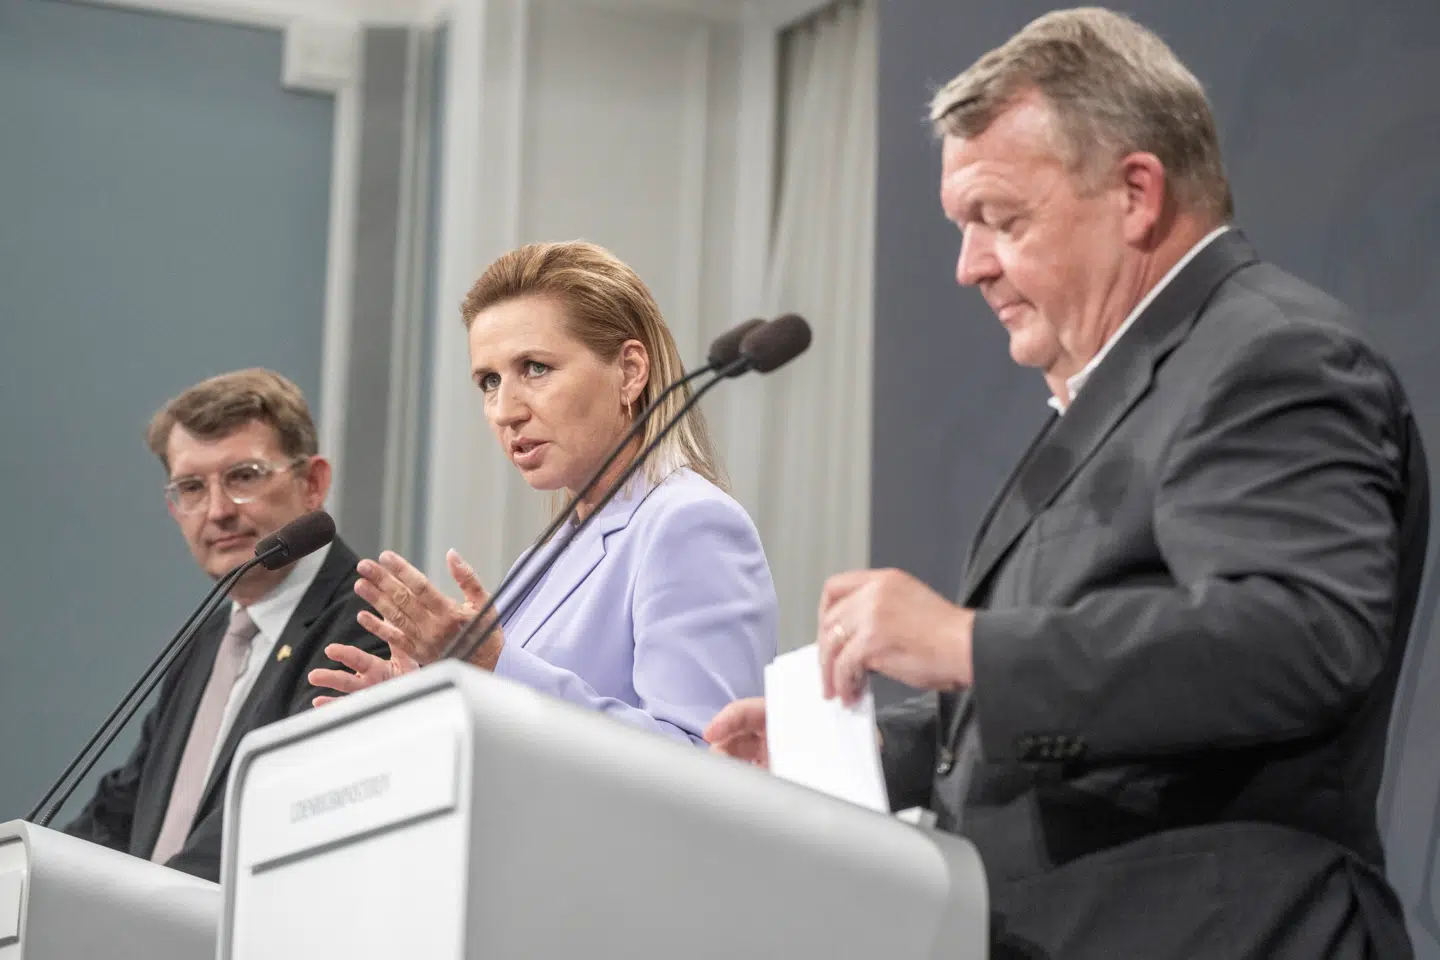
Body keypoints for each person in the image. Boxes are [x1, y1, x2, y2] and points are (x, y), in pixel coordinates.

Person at [706, 8, 1426, 958]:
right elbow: (1109, 690)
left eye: (1000, 219)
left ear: (1136, 193)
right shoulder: (1143, 383)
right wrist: (874, 752)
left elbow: (1294, 639)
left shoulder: (1272, 357)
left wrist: (968, 644)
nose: (969, 267)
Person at [312, 241, 777, 743]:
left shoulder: (689, 523)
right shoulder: (542, 559)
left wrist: (490, 663)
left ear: (630, 371)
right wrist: (428, 703)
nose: (505, 410)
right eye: (489, 381)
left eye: (535, 368)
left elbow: (707, 760)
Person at [64, 370, 386, 882]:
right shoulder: (208, 642)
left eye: (244, 476)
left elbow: (279, 813)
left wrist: (147, 917)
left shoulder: (369, 620)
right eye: (191, 487)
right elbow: (119, 813)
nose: (216, 512)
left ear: (312, 483)